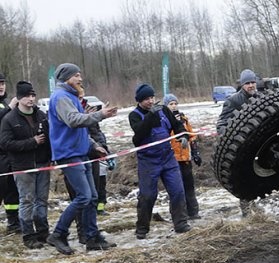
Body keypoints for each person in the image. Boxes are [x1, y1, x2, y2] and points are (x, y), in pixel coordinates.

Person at [46, 63, 118, 255]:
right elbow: (74, 120)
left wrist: (94, 146)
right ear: (66, 77)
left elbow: (80, 131)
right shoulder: (60, 97)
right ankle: (58, 234)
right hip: (68, 154)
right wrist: (100, 115)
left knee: (92, 196)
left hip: (81, 153)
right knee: (84, 196)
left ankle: (91, 237)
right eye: (76, 75)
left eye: (80, 75)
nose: (80, 79)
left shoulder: (71, 96)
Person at [128, 84, 191, 239]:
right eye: (146, 99)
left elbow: (177, 126)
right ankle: (142, 228)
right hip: (148, 160)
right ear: (139, 101)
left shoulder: (164, 111)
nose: (150, 101)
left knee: (177, 190)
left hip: (167, 157)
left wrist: (183, 136)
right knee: (148, 195)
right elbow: (140, 133)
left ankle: (181, 223)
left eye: (152, 98)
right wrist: (150, 116)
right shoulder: (134, 115)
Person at [0, 81, 51, 249]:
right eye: (26, 96)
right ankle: (28, 235)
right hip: (23, 166)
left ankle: (43, 232)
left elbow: (50, 138)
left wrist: (52, 157)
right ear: (19, 98)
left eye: (32, 95)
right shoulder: (9, 119)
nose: (30, 99)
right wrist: (32, 142)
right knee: (27, 200)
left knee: (42, 200)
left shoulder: (41, 115)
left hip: (43, 163)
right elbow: (6, 144)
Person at [61, 88, 113, 244]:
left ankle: (91, 233)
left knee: (92, 196)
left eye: (83, 95)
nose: (81, 97)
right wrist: (92, 116)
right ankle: (77, 232)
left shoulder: (87, 110)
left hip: (91, 156)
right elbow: (74, 127)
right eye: (79, 95)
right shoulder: (70, 110)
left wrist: (103, 147)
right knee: (81, 197)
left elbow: (95, 132)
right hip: (74, 157)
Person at [217, 69, 261, 216]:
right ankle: (246, 210)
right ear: (242, 85)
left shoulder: (260, 97)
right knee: (244, 177)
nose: (251, 85)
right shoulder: (234, 101)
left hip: (258, 143)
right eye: (247, 83)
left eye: (253, 82)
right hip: (242, 146)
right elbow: (222, 123)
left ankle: (254, 204)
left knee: (256, 176)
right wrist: (227, 136)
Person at [164, 94, 201, 220]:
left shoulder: (184, 119)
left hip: (186, 158)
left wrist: (195, 152)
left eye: (175, 103)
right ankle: (178, 214)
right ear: (166, 106)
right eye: (171, 104)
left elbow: (191, 135)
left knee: (189, 186)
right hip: (172, 159)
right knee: (176, 188)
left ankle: (193, 212)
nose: (174, 106)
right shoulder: (164, 120)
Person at [0, 73, 21, 234]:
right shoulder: (6, 106)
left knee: (12, 190)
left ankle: (13, 223)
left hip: (9, 154)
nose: (1, 86)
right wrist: (10, 108)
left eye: (2, 83)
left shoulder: (3, 103)